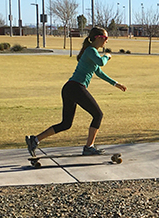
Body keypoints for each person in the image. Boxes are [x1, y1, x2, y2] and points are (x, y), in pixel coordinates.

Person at [26, 26, 127, 157]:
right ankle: (89, 147)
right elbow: (101, 62)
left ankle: (35, 140)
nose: (107, 41)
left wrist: (115, 84)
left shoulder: (91, 52)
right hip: (76, 87)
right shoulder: (91, 50)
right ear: (97, 38)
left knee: (66, 124)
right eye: (105, 38)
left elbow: (99, 72)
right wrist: (107, 55)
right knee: (98, 115)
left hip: (70, 88)